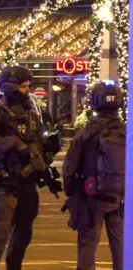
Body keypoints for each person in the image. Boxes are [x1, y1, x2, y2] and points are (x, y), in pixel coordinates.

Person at [0, 66, 52, 270]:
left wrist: (45, 153)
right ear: (11, 87)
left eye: (28, 86)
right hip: (6, 183)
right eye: (24, 87)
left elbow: (38, 138)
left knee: (23, 235)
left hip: (27, 185)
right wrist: (12, 143)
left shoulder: (31, 113)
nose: (27, 91)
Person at [62, 82, 125, 270]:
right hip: (120, 197)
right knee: (120, 245)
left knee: (88, 247)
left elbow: (69, 168)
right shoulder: (126, 131)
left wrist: (72, 191)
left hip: (91, 198)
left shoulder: (86, 132)